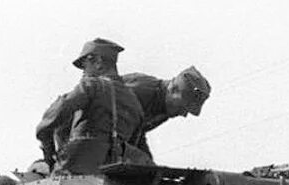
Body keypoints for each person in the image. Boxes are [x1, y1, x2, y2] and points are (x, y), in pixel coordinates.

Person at [35, 38, 148, 175]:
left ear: (98, 62)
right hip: (112, 178)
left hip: (74, 172)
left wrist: (49, 157)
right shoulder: (135, 103)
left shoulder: (92, 86)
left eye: (84, 65)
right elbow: (139, 147)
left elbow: (49, 121)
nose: (83, 72)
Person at [121, 66, 211, 158]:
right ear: (173, 90)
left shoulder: (165, 108)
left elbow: (137, 134)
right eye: (182, 108)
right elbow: (114, 132)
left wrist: (149, 166)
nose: (183, 114)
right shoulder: (140, 92)